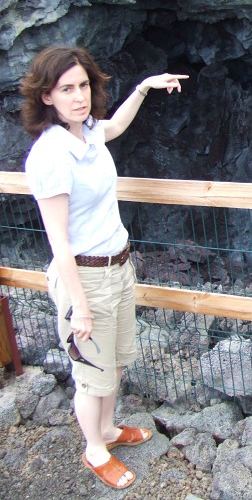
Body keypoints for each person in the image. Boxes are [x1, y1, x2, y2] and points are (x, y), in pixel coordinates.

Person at [20, 45, 188, 489]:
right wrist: (80, 307)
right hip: (85, 277)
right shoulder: (50, 156)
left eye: (83, 85)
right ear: (46, 96)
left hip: (117, 266)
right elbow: (59, 241)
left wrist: (144, 88)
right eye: (66, 89)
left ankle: (109, 430)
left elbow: (113, 126)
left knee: (112, 363)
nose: (79, 96)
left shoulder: (87, 132)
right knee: (91, 375)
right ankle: (95, 450)